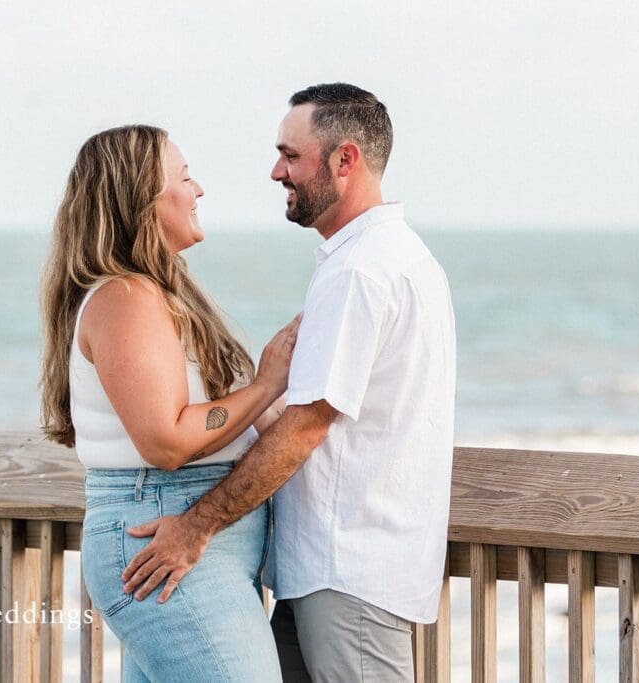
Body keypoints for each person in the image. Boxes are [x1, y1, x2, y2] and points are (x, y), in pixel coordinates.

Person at [122, 84, 457, 681]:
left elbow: (306, 428)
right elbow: (322, 417)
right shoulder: (385, 258)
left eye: (291, 155)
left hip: (348, 571)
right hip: (326, 569)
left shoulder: (360, 272)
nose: (277, 171)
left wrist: (194, 529)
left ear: (344, 160)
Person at [39, 124, 297, 682]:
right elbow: (168, 440)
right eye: (184, 177)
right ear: (143, 199)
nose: (199, 189)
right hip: (162, 532)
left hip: (186, 538)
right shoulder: (124, 298)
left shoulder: (154, 292)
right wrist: (266, 384)